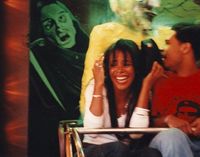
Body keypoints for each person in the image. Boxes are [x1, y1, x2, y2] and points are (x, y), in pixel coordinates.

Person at [135, 23, 200, 157]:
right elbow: (153, 121)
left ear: (185, 48)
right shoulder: (161, 81)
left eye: (169, 44)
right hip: (170, 142)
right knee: (173, 136)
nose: (165, 51)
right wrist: (168, 119)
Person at [80, 0, 174, 115]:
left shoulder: (167, 35)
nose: (151, 4)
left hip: (156, 113)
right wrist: (86, 114)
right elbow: (91, 76)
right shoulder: (105, 33)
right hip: (118, 114)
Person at [28, 1, 89, 156]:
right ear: (44, 33)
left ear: (72, 20)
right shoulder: (42, 63)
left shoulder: (94, 53)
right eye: (49, 25)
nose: (59, 27)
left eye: (62, 18)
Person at [83, 39, 162, 157]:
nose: (120, 70)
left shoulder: (142, 90)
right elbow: (93, 130)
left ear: (136, 68)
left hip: (125, 152)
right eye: (113, 65)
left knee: (151, 153)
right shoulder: (95, 85)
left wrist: (146, 86)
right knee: (118, 148)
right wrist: (99, 85)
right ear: (107, 69)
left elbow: (136, 134)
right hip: (94, 149)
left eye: (126, 64)